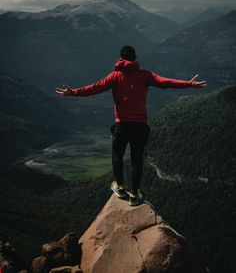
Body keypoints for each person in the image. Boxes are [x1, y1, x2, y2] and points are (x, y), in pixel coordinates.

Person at [55, 45, 207, 206]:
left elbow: (95, 88)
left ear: (120, 58)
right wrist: (188, 84)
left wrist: (73, 93)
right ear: (135, 59)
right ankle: (134, 195)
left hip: (122, 125)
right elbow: (165, 82)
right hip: (140, 126)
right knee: (136, 160)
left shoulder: (115, 76)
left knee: (117, 155)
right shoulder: (145, 75)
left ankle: (120, 187)